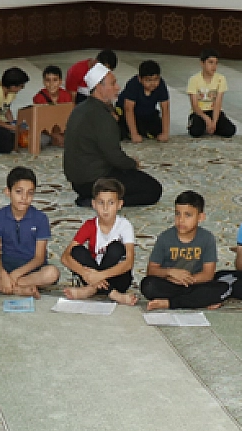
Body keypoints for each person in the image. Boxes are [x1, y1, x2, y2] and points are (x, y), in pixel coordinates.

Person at [62, 64, 163, 207]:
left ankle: (97, 197)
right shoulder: (102, 116)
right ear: (98, 87)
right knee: (153, 190)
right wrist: (132, 164)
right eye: (113, 83)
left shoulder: (80, 108)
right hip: (94, 181)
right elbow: (114, 156)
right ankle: (102, 202)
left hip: (78, 182)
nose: (117, 87)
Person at [142, 190, 228, 311]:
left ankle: (169, 303)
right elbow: (152, 270)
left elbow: (208, 274)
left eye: (188, 215)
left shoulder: (207, 238)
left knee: (224, 288)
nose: (181, 220)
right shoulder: (165, 237)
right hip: (170, 284)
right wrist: (170, 272)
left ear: (201, 217)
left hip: (195, 283)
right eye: (178, 214)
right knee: (148, 285)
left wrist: (186, 280)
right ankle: (194, 301)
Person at [61, 177, 139, 305]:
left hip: (117, 279)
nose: (106, 208)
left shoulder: (125, 225)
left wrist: (100, 275)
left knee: (116, 248)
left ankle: (90, 290)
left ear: (120, 205)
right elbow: (65, 257)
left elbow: (129, 262)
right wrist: (86, 274)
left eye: (111, 203)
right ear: (94, 204)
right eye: (101, 203)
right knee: (77, 251)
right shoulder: (90, 225)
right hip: (91, 277)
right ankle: (111, 294)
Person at [0, 165, 59, 298]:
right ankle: (19, 289)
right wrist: (3, 274)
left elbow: (39, 258)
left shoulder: (41, 218)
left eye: (30, 193)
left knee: (52, 273)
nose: (24, 197)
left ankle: (5, 285)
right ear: (8, 192)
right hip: (6, 264)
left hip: (30, 268)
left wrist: (15, 275)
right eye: (19, 192)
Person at [186, 48, 236, 138]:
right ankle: (202, 125)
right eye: (210, 62)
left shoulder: (221, 79)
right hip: (200, 113)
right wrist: (207, 119)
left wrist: (214, 122)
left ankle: (212, 127)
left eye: (216, 63)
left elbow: (218, 103)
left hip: (214, 111)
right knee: (195, 132)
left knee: (230, 130)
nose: (214, 66)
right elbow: (194, 105)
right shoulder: (194, 80)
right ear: (202, 63)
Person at [120, 60, 172, 143]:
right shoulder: (133, 85)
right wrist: (134, 134)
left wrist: (165, 133)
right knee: (122, 132)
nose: (153, 83)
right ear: (140, 79)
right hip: (130, 113)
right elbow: (128, 109)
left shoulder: (161, 85)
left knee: (157, 130)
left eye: (156, 79)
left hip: (148, 113)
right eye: (148, 80)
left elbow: (165, 108)